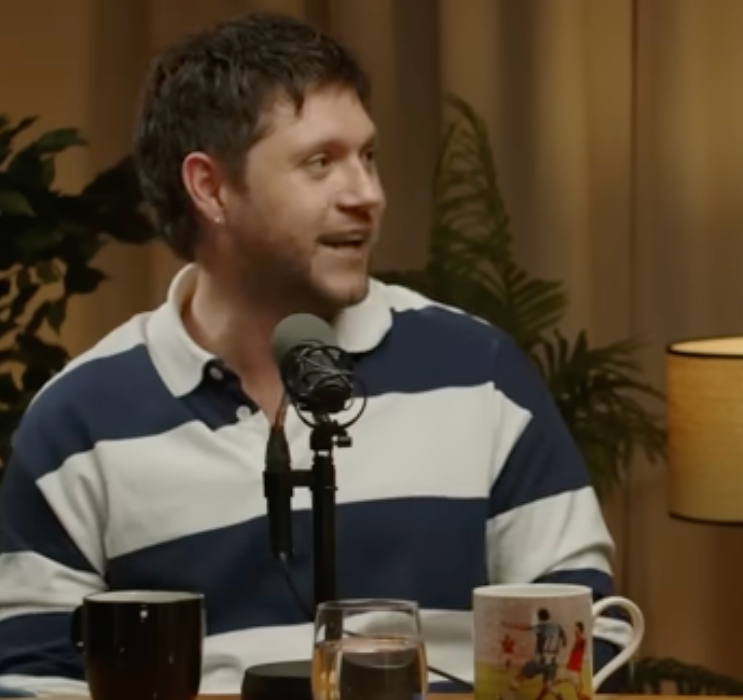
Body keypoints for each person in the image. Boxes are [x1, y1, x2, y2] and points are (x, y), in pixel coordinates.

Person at [0, 11, 632, 697]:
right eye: (320, 163)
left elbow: (590, 638)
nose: (367, 195)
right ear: (210, 187)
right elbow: (30, 680)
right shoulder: (79, 421)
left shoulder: (479, 374)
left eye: (368, 157)